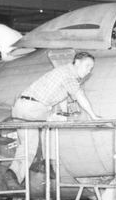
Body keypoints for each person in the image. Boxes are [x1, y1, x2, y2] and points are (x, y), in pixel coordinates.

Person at [9, 52, 100, 183]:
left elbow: (61, 94)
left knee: (27, 147)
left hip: (21, 107)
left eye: (91, 68)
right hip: (34, 109)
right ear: (77, 62)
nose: (88, 71)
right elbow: (78, 94)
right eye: (87, 66)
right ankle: (49, 163)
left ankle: (12, 176)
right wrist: (93, 116)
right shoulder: (68, 74)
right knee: (60, 122)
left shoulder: (62, 71)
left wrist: (65, 112)